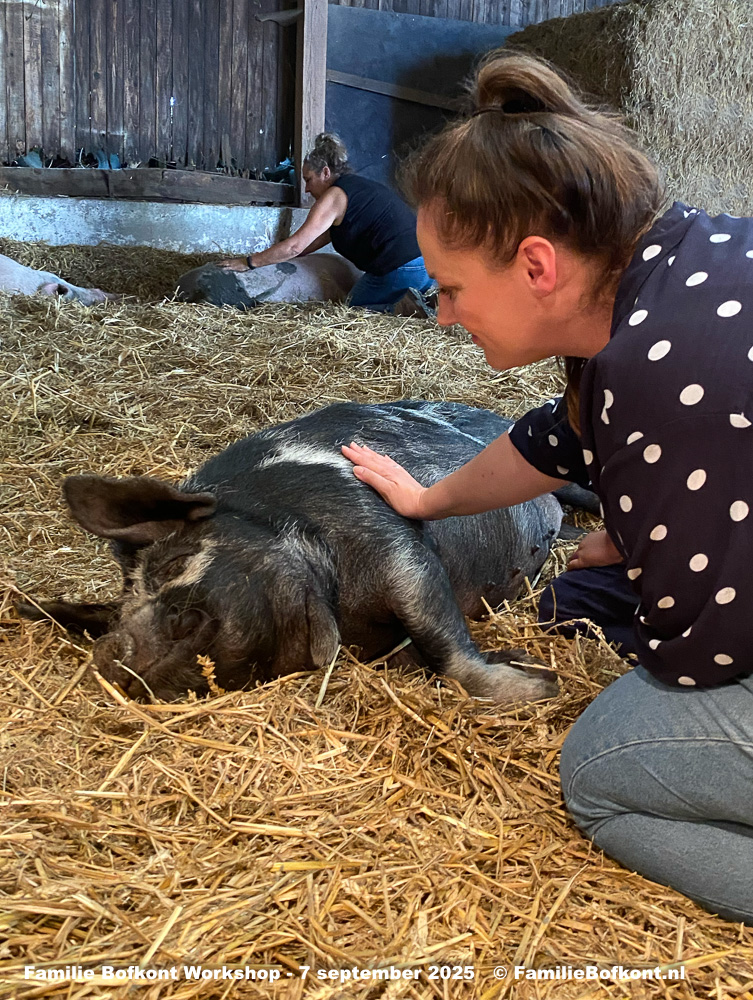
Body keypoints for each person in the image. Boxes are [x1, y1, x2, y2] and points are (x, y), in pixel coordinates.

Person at [340, 49, 753, 924]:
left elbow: (701, 652)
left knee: (600, 769)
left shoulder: (652, 369)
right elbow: (558, 439)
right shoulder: (687, 260)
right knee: (585, 590)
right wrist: (426, 500)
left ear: (535, 265)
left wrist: (645, 553)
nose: (443, 315)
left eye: (451, 289)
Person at [220, 133, 434, 312]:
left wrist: (248, 262)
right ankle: (420, 305)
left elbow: (295, 246)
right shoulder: (357, 188)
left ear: (325, 172)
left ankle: (406, 309)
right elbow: (311, 242)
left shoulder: (334, 196)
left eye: (308, 179)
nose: (306, 189)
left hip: (399, 270)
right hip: (426, 266)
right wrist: (275, 256)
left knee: (354, 313)